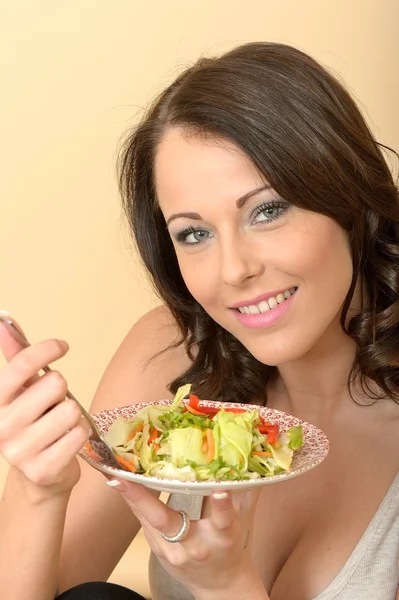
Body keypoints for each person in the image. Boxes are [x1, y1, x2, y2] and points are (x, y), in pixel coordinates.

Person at [0, 41, 398, 600]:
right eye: (194, 233)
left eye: (267, 210)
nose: (233, 270)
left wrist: (226, 587)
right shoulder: (170, 350)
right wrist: (36, 489)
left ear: (347, 196)